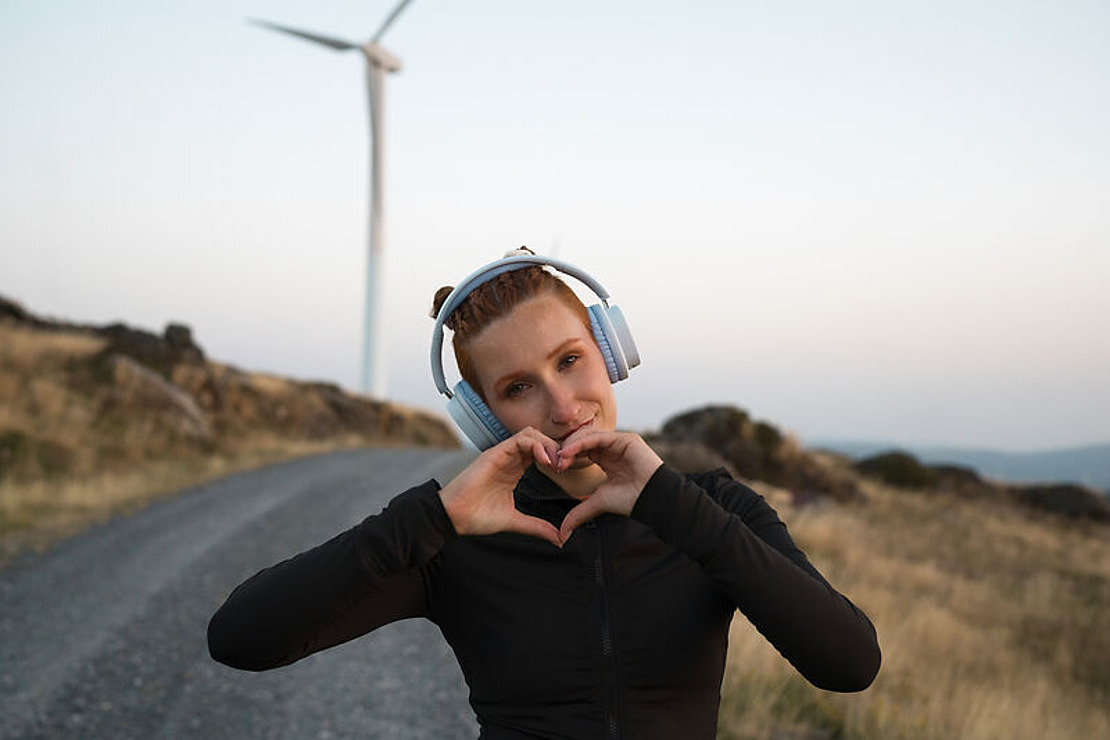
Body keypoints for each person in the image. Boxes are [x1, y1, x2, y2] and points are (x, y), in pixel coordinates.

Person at [207, 248, 881, 739]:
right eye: (517, 388)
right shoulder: (459, 537)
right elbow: (241, 639)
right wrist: (431, 517)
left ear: (610, 352)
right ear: (485, 418)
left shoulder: (713, 510)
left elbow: (848, 664)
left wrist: (674, 508)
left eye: (569, 361)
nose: (562, 406)